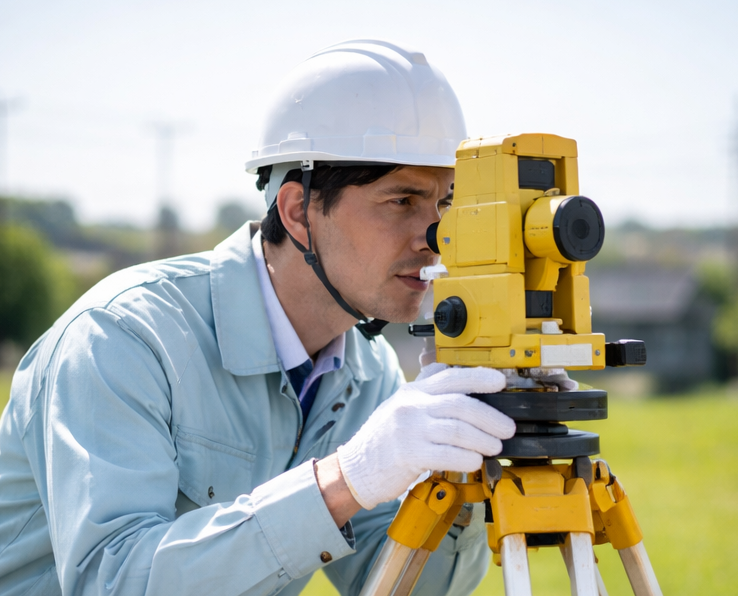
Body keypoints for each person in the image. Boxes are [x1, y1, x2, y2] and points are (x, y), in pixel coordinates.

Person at [0, 40, 517, 596]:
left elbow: (402, 583)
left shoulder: (369, 375)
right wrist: (346, 479)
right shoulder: (123, 338)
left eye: (444, 204)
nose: (435, 237)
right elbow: (114, 581)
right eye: (401, 202)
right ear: (298, 211)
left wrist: (460, 465)